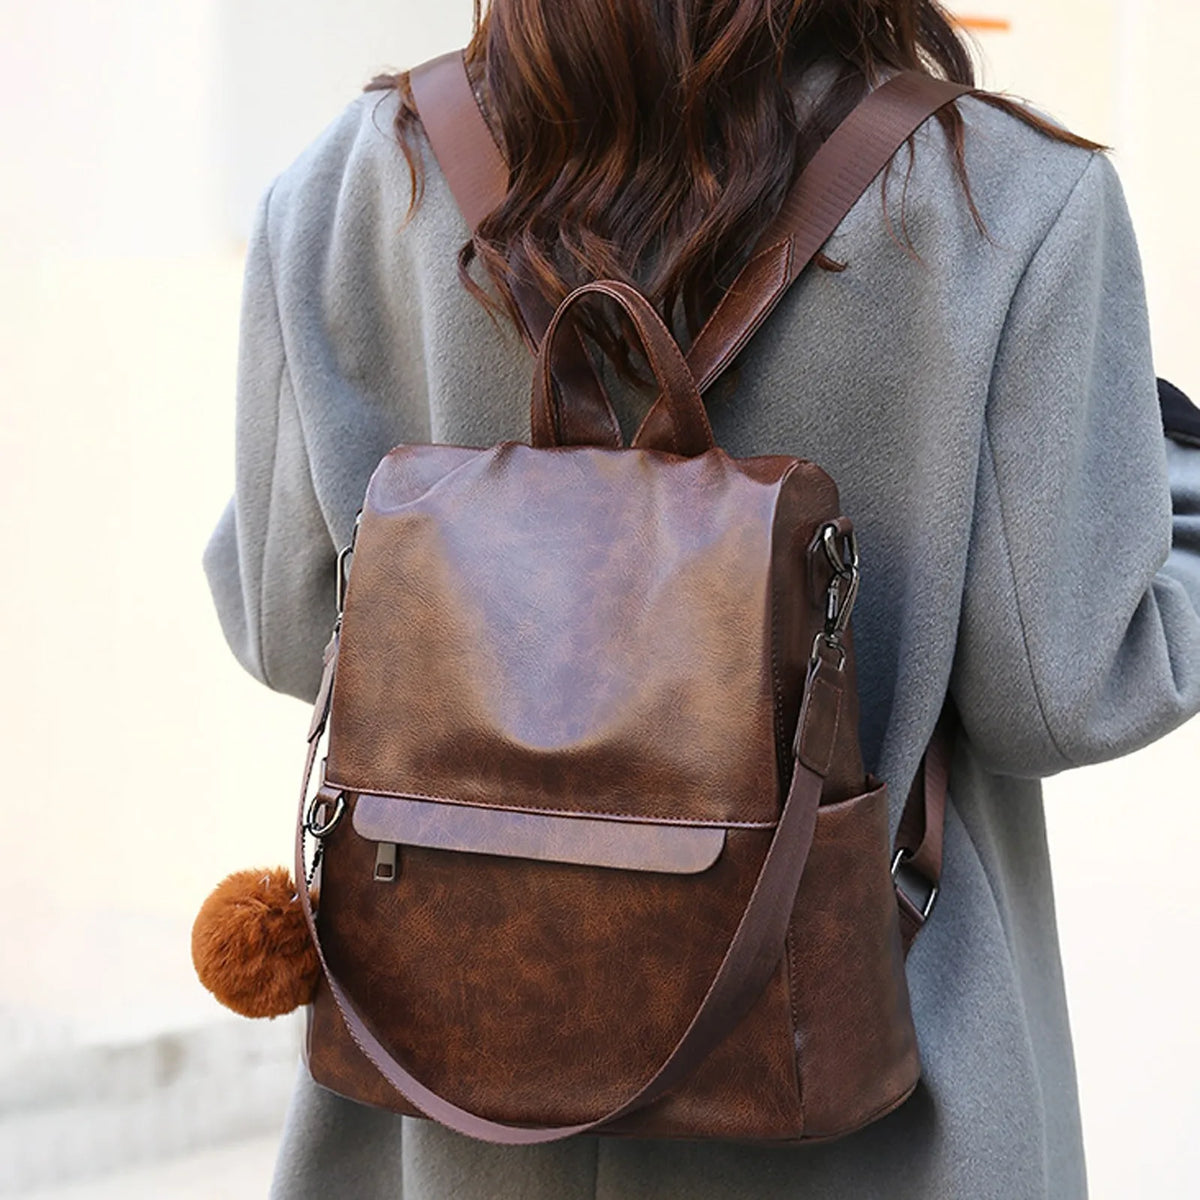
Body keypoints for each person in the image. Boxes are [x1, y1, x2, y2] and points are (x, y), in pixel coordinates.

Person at [202, 2, 1200, 1198]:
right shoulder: (1010, 202)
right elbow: (1063, 689)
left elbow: (283, 618)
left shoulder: (354, 183)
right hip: (876, 1111)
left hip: (450, 1099)